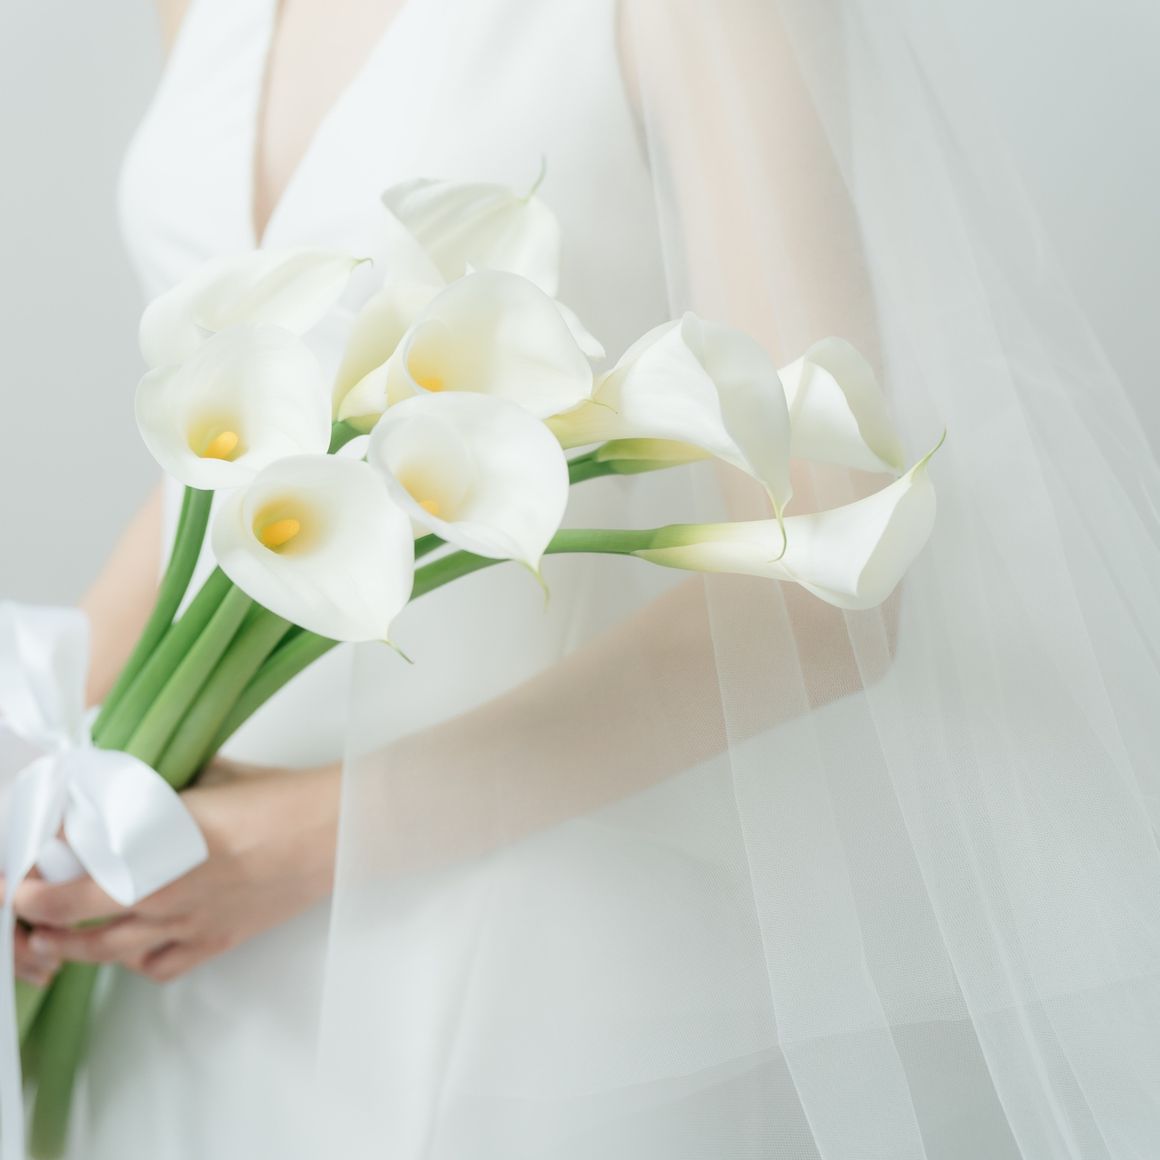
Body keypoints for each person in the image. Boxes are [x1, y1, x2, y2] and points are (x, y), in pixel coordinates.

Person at [12, 1, 1160, 1157]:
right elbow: (228, 454)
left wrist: (301, 842)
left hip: (507, 941)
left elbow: (816, 579)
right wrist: (46, 752)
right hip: (172, 906)